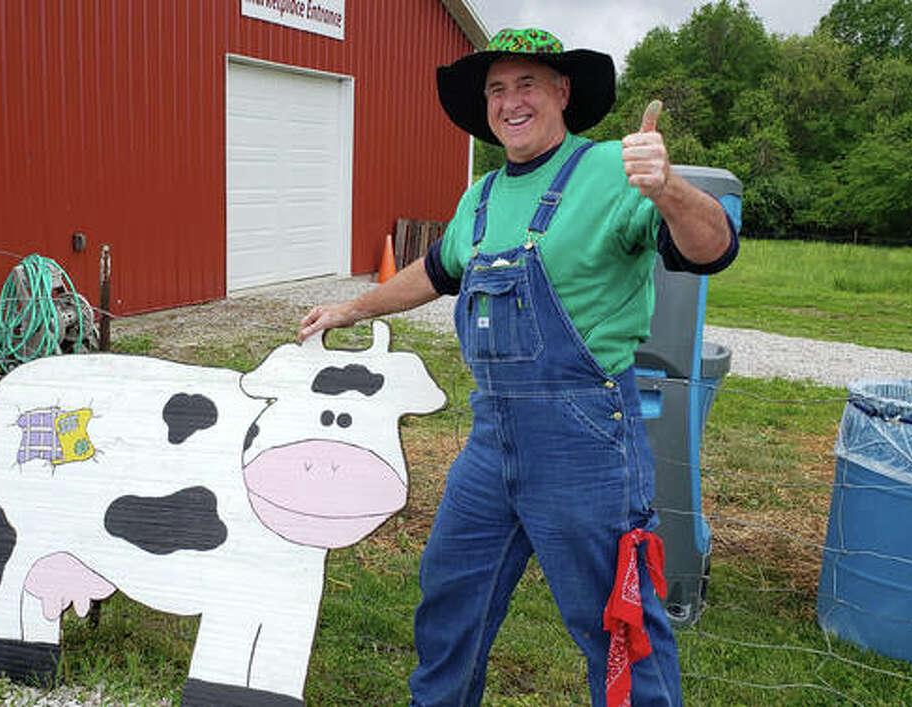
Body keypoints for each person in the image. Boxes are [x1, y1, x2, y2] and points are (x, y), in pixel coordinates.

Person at [299, 27, 737, 707]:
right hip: (492, 438)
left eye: (526, 83)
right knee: (451, 598)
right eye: (497, 89)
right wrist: (351, 309)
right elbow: (433, 271)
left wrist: (670, 187)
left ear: (562, 91)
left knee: (618, 623)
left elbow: (712, 248)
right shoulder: (479, 197)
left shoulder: (611, 174)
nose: (510, 101)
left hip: (587, 442)